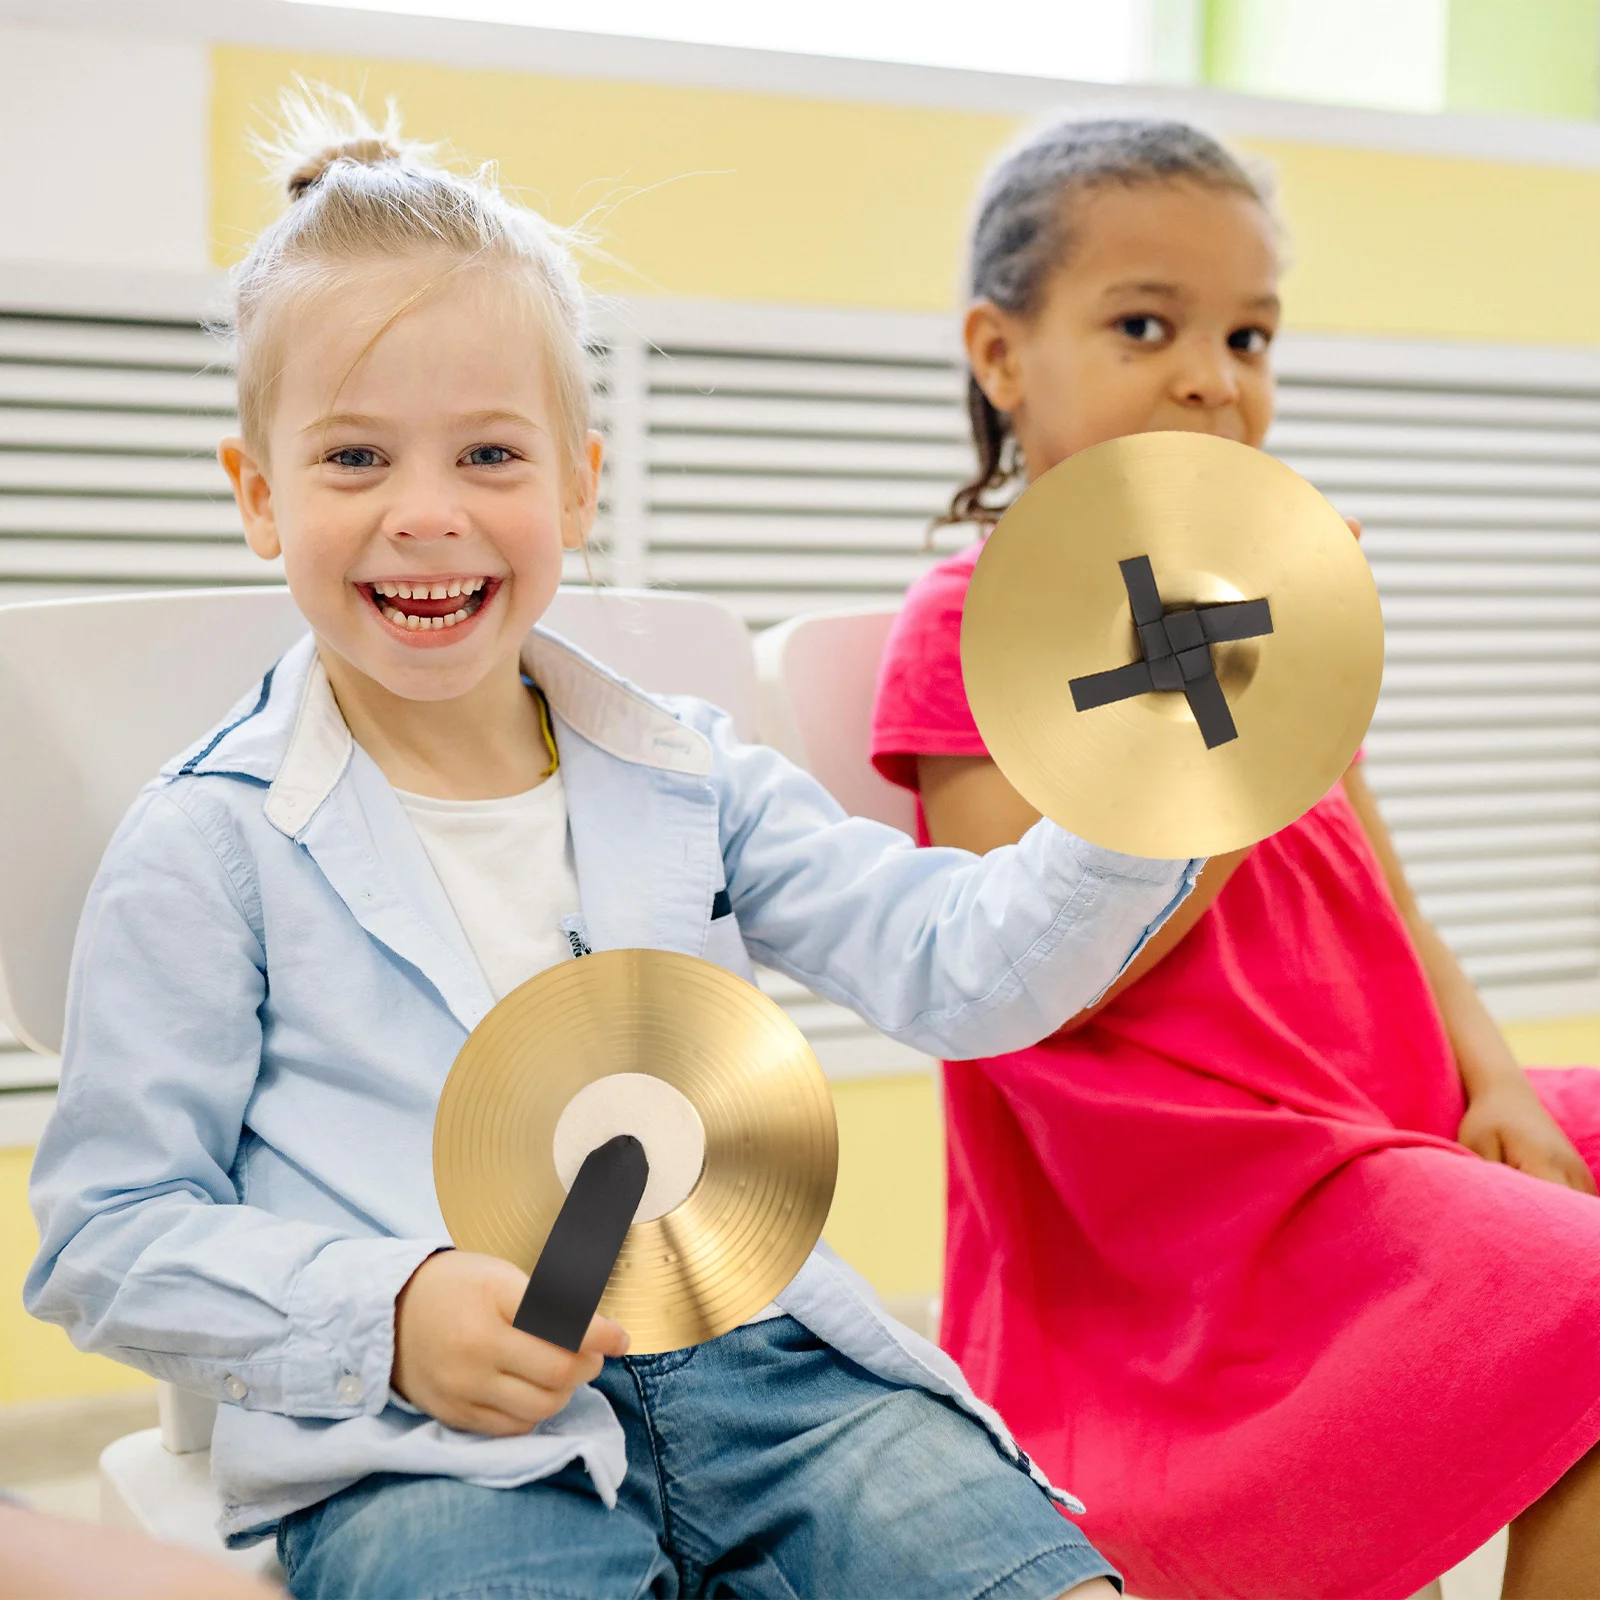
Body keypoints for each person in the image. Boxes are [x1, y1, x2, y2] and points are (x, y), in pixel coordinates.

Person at [22, 94, 1203, 1600]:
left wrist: (1138, 778)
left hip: (769, 1376)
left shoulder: (688, 772)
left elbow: (957, 968)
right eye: (356, 459)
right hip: (420, 1443)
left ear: (581, 482)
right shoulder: (211, 843)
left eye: (493, 457)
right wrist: (389, 1309)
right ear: (261, 494)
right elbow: (108, 1235)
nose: (427, 515)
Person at [870, 115, 1600, 1600]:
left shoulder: (1268, 603)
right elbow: (1036, 981)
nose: (1215, 375)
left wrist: (1501, 1080)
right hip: (1195, 1195)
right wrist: (1238, 724)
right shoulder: (973, 626)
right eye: (1147, 325)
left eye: (1252, 336)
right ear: (1003, 357)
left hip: (1377, 1104)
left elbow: (1390, 897)